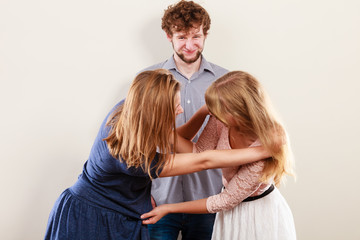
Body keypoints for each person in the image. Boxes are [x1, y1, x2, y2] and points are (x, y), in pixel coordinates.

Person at [44, 69, 270, 240]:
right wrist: (263, 150)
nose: (180, 110)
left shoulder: (130, 109)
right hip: (91, 217)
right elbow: (203, 160)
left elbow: (173, 138)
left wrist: (205, 110)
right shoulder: (129, 155)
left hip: (125, 211)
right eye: (176, 107)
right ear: (157, 111)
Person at [141, 71, 297, 240]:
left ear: (240, 112)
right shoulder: (221, 120)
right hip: (229, 213)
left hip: (255, 214)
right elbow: (200, 153)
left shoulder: (270, 140)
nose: (215, 113)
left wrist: (169, 208)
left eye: (220, 109)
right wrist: (202, 112)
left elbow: (225, 199)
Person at [140, 1, 228, 239]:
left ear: (205, 34)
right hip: (158, 199)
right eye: (181, 37)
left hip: (209, 200)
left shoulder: (226, 81)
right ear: (168, 36)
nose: (189, 46)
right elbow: (136, 138)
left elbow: (235, 136)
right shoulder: (148, 81)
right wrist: (139, 192)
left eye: (196, 36)